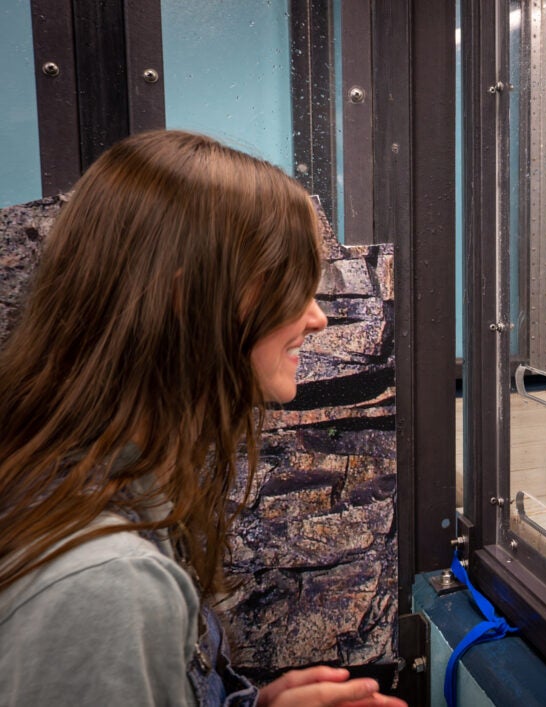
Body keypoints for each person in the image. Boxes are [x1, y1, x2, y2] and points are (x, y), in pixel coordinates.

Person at [0, 130, 406, 707]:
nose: (316, 318)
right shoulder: (103, 587)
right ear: (188, 300)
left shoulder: (96, 478)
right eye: (289, 287)